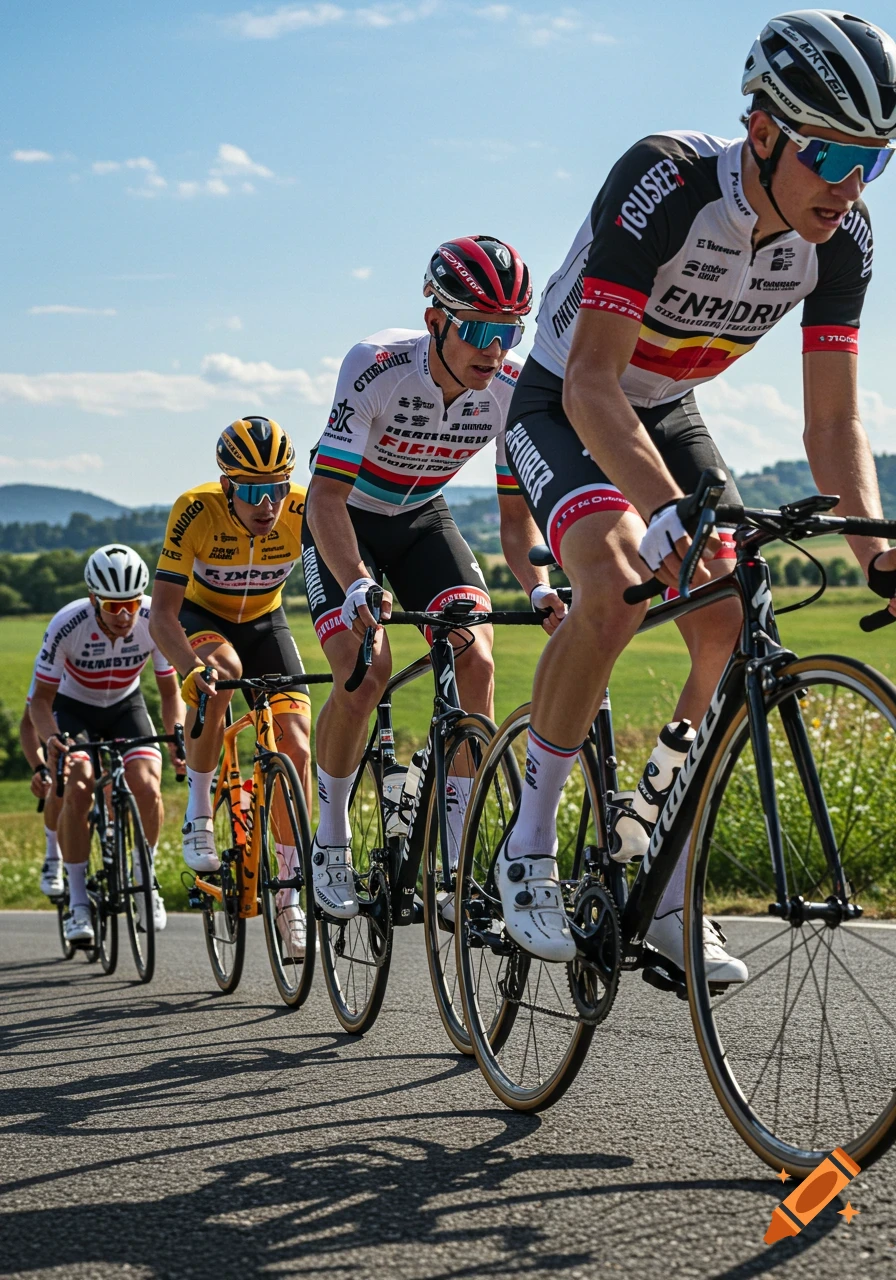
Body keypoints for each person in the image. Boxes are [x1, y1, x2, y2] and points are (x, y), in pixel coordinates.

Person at [497, 9, 896, 972]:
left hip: (665, 405)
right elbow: (592, 382)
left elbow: (832, 425)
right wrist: (664, 507)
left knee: (728, 622)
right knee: (615, 577)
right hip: (564, 397)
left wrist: (878, 553)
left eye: (874, 163)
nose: (848, 188)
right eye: (833, 155)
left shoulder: (840, 242)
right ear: (762, 131)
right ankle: (530, 847)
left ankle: (662, 868)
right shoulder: (666, 181)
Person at [302, 235, 567, 921]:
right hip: (346, 519)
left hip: (422, 518)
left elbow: (516, 525)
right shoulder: (375, 367)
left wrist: (537, 583)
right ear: (434, 322)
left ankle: (453, 864)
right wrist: (357, 581)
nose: (494, 349)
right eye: (478, 329)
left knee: (475, 655)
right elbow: (326, 499)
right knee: (365, 673)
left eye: (508, 332)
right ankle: (328, 835)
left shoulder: (508, 391)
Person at [149, 417, 313, 958]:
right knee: (225, 673)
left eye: (278, 488)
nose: (268, 505)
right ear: (227, 487)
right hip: (202, 617)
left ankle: (290, 896)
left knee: (296, 740)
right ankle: (198, 814)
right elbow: (162, 617)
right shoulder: (195, 509)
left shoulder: (301, 509)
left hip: (267, 621)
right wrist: (189, 669)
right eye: (254, 491)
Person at [29, 545, 185, 945]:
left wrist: (177, 738)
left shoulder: (154, 618)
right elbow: (41, 703)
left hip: (124, 706)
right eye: (113, 606)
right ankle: (79, 903)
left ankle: (145, 880)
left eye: (131, 604)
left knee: (148, 785)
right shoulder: (68, 623)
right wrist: (52, 742)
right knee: (79, 784)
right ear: (94, 598)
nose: (123, 615)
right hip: (73, 709)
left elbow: (170, 693)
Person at [19, 667, 64, 896]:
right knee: (59, 783)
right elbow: (28, 724)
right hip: (62, 723)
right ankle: (53, 855)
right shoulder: (51, 659)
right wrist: (39, 768)